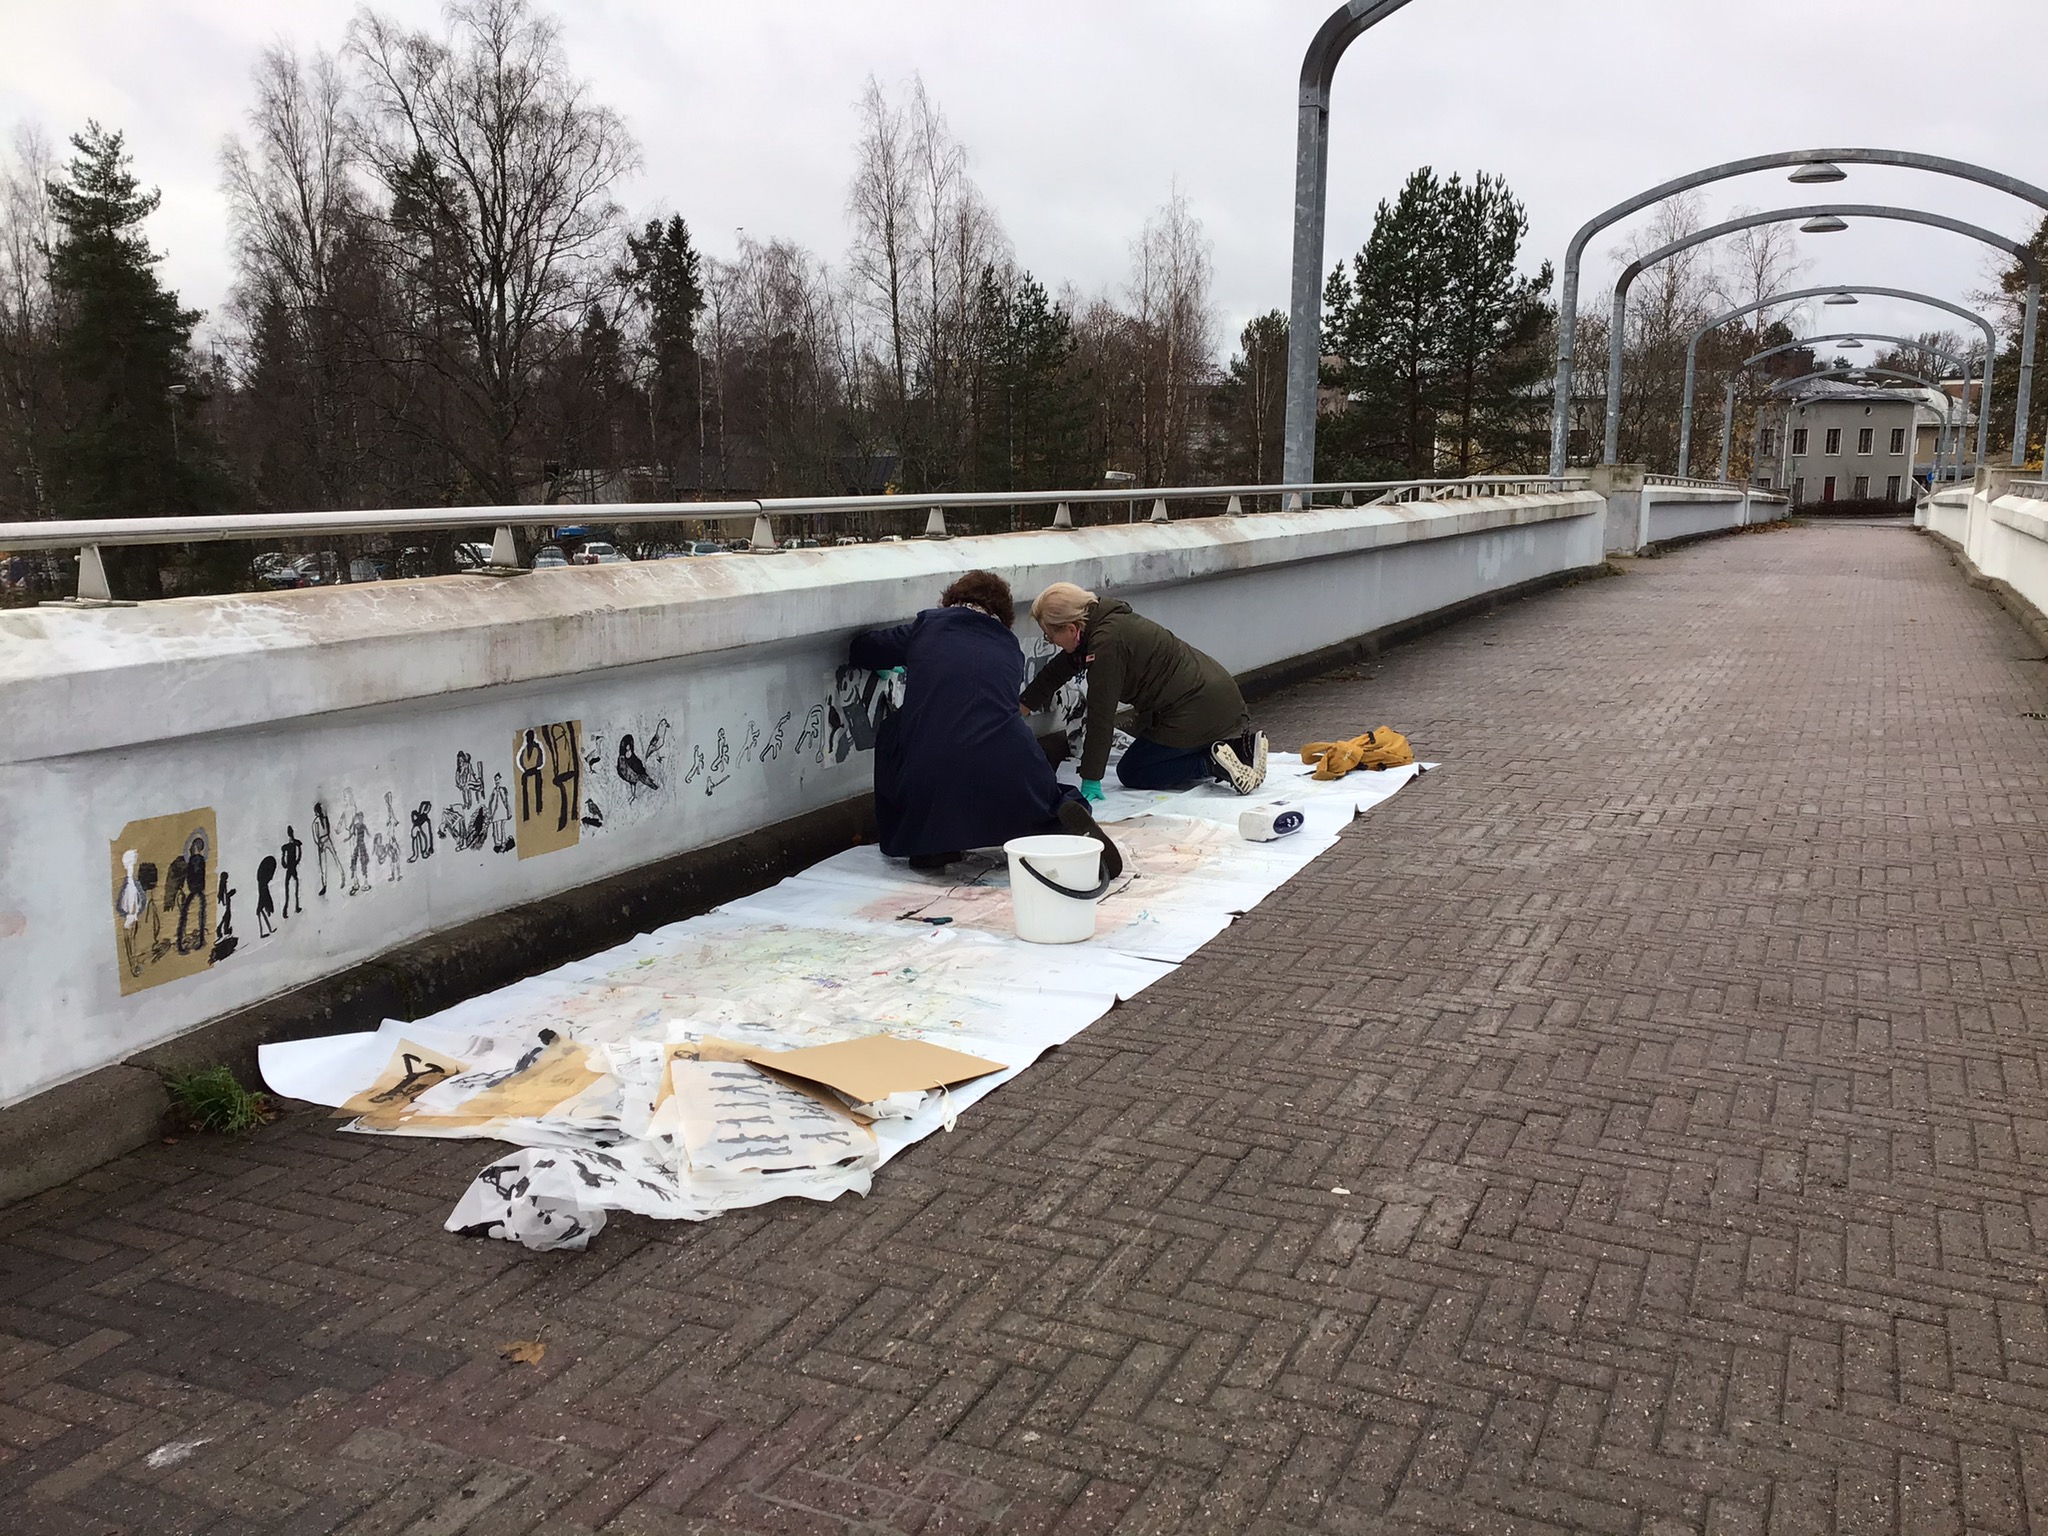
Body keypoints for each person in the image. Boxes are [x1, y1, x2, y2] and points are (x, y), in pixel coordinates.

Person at [849, 570, 1121, 876]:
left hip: (932, 766)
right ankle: (1061, 819)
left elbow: (863, 648)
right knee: (1041, 796)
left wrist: (899, 658)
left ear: (951, 600)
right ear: (1003, 616)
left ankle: (927, 841)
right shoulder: (1010, 648)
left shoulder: (927, 627)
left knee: (898, 729)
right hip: (1010, 761)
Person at [1020, 582, 1267, 799]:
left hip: (1193, 710)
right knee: (1152, 750)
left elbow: (1101, 716)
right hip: (1216, 699)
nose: (1051, 642)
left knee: (1133, 770)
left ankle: (1210, 763)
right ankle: (1239, 749)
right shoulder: (1104, 621)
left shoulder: (1106, 646)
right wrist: (1022, 707)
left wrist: (1091, 778)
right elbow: (1058, 670)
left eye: (1049, 636)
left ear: (1071, 629)